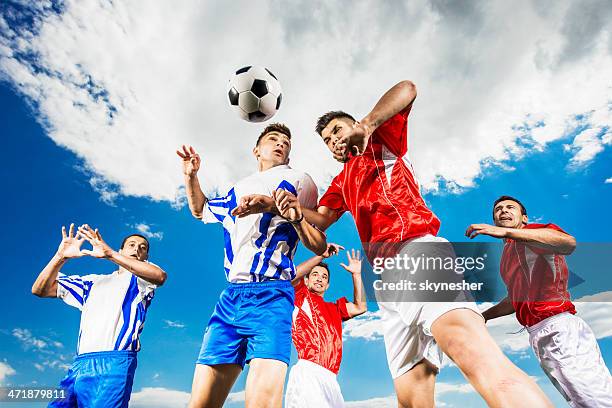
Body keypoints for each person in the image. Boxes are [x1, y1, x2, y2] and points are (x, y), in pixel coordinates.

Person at [257, 81, 552, 407]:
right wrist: (283, 208)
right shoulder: (341, 182)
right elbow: (322, 219)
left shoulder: (381, 142)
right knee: (412, 397)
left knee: (472, 353)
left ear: (354, 126)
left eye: (338, 131)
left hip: (418, 253)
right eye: (328, 140)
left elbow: (407, 89)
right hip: (388, 283)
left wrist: (367, 125)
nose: (334, 141)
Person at [178, 123, 327, 408]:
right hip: (231, 298)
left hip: (272, 295)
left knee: (262, 403)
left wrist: (278, 208)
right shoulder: (236, 189)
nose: (281, 144)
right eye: (273, 139)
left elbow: (319, 235)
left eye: (286, 142)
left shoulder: (299, 180)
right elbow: (201, 210)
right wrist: (191, 176)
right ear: (256, 150)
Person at [467, 195, 612, 407]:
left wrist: (508, 232)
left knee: (589, 396)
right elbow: (515, 299)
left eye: (510, 208)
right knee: (580, 396)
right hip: (538, 332)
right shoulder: (507, 255)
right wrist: (482, 317)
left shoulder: (533, 234)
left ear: (523, 218)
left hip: (558, 325)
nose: (503, 211)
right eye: (498, 209)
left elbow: (567, 243)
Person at [32, 223, 167, 408]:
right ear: (123, 249)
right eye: (132, 244)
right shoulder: (91, 282)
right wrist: (60, 257)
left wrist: (110, 254)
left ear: (146, 257)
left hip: (114, 362)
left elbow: (159, 276)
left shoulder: (142, 281)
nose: (137, 249)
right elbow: (40, 289)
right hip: (79, 365)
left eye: (143, 248)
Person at [285, 244, 367, 408]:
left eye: (324, 277)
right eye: (315, 274)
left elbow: (360, 307)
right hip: (308, 371)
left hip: (331, 378)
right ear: (306, 280)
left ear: (328, 285)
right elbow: (292, 277)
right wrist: (321, 256)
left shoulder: (335, 309)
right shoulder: (299, 297)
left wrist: (357, 275)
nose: (319, 278)